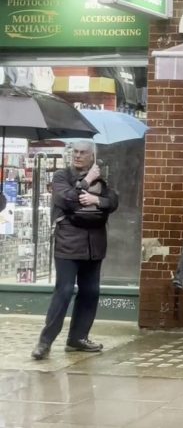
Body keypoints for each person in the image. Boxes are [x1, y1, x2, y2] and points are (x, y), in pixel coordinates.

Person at [32, 141, 118, 360]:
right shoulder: (62, 176)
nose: (78, 156)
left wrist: (96, 199)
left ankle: (78, 338)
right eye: (76, 152)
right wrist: (86, 182)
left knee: (90, 292)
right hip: (68, 243)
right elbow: (67, 200)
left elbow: (113, 201)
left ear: (92, 157)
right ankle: (45, 342)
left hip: (94, 245)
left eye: (83, 153)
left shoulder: (103, 178)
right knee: (64, 291)